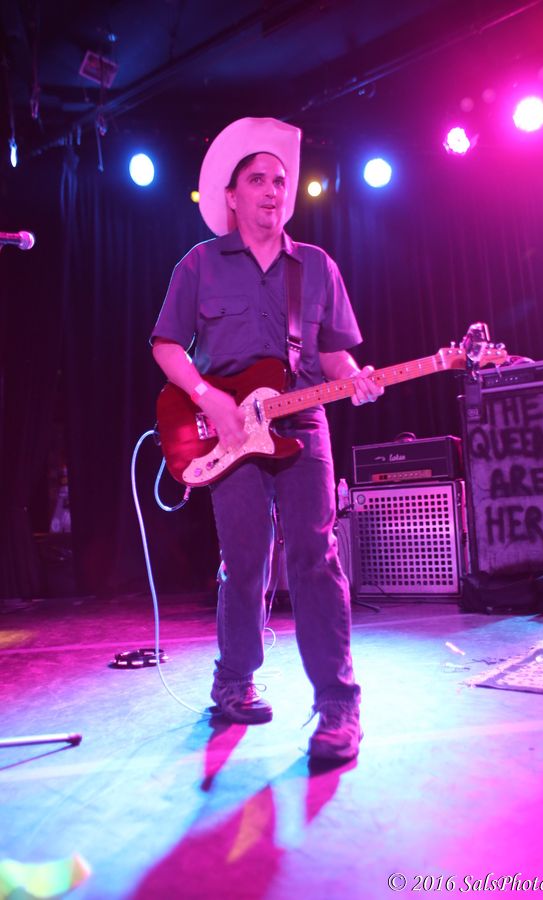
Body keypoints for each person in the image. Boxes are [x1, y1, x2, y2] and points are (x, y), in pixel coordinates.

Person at [151, 117, 383, 762]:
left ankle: (337, 704)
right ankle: (233, 681)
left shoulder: (316, 266)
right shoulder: (200, 263)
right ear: (232, 195)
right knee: (245, 558)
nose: (273, 191)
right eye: (258, 180)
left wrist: (356, 379)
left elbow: (334, 357)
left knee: (316, 554)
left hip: (303, 422)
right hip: (228, 429)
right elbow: (166, 345)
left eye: (281, 181)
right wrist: (210, 399)